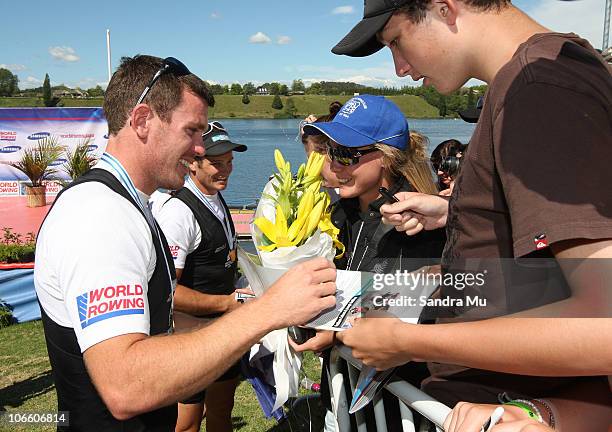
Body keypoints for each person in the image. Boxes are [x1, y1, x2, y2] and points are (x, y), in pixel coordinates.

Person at [331, 0, 612, 430]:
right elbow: (545, 266)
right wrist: (453, 213)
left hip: (503, 410)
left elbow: (603, 322)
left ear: (444, 8)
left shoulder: (538, 88)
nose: (400, 68)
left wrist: (405, 341)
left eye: (397, 42)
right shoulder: (545, 72)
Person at [34, 54, 337, 431]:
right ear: (143, 120)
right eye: (191, 131)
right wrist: (269, 310)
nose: (199, 149)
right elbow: (126, 384)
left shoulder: (128, 203)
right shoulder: (101, 214)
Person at [298, 95, 446, 431]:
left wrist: (336, 334)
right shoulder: (341, 214)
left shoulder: (416, 223)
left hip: (403, 400)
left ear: (386, 159)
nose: (334, 165)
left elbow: (418, 318)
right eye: (329, 151)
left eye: (346, 154)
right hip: (348, 390)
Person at [155, 122, 248, 432]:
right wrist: (225, 303)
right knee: (187, 423)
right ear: (191, 163)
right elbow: (167, 292)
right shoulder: (178, 212)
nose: (226, 170)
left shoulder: (216, 197)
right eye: (216, 163)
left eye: (230, 161)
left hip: (223, 330)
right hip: (189, 338)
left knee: (222, 409)